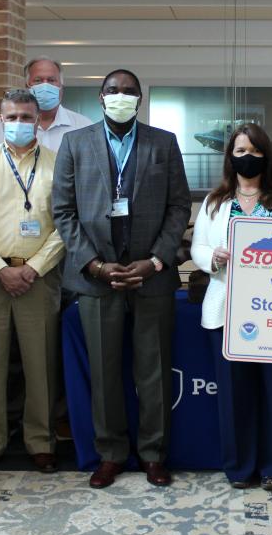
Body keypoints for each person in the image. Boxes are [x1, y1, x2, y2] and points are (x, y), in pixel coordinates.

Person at [51, 68, 190, 489]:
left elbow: (178, 207)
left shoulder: (163, 144)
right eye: (113, 91)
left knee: (154, 371)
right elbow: (63, 211)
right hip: (97, 277)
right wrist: (93, 264)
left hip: (151, 277)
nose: (121, 96)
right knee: (105, 373)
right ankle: (110, 454)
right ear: (100, 96)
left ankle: (153, 455)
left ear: (140, 99)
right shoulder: (75, 144)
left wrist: (157, 261)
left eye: (129, 92)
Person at [191, 124, 272, 491]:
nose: (247, 158)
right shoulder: (215, 201)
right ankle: (240, 468)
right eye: (240, 151)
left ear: (266, 156)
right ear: (229, 157)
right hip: (226, 309)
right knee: (234, 395)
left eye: (254, 151)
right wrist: (215, 256)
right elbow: (198, 249)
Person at [0, 89, 65, 474]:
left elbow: (64, 225)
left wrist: (35, 267)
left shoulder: (59, 163)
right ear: (0, 120)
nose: (19, 124)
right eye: (12, 118)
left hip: (40, 277)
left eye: (27, 117)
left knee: (41, 363)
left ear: (39, 121)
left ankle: (40, 441)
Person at [0, 57, 92, 152]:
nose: (45, 86)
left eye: (51, 80)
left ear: (61, 86)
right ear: (27, 86)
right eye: (38, 80)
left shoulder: (84, 127)